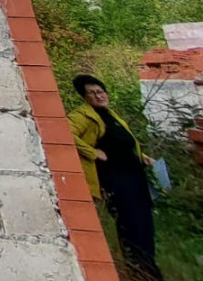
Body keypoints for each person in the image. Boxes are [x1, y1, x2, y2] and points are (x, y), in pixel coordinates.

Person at [68, 73, 163, 280]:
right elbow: (65, 132)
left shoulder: (112, 115)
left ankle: (148, 270)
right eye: (92, 93)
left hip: (137, 181)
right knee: (131, 227)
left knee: (145, 227)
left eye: (101, 91)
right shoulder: (84, 116)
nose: (99, 96)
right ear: (85, 97)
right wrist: (92, 152)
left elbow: (124, 144)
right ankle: (141, 272)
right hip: (117, 182)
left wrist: (142, 157)